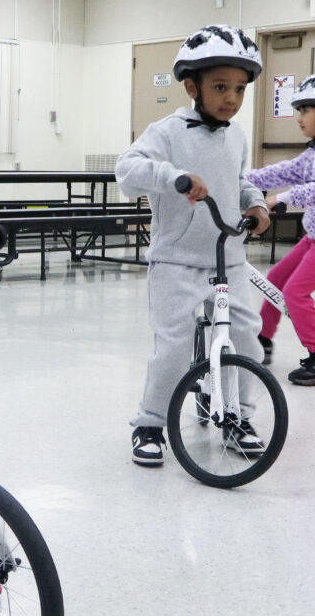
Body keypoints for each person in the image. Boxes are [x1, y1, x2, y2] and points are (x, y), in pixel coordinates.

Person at [115, 25, 270, 466]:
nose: (231, 99)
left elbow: (240, 182)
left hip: (228, 260)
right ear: (192, 86)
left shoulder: (236, 136)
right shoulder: (167, 131)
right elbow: (127, 170)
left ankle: (238, 417)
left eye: (239, 89)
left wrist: (255, 205)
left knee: (247, 339)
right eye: (220, 87)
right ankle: (149, 422)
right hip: (176, 263)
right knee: (174, 346)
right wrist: (173, 177)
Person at [246, 74, 315, 385]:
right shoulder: (311, 154)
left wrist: (280, 199)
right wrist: (242, 179)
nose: (298, 118)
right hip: (312, 238)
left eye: (305, 110)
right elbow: (283, 172)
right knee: (273, 280)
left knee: (295, 293)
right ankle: (262, 338)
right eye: (297, 110)